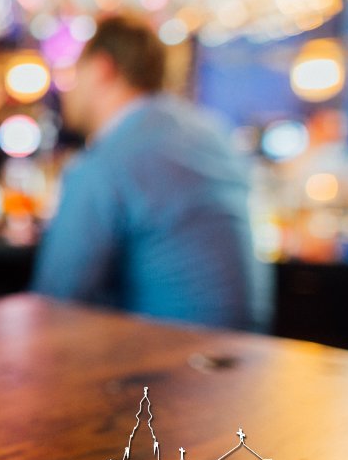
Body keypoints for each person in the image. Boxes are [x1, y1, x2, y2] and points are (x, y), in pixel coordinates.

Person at [31, 17, 264, 330]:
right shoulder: (212, 133)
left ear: (102, 69)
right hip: (248, 348)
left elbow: (55, 299)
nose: (67, 90)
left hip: (169, 354)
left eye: (73, 73)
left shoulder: (107, 160)